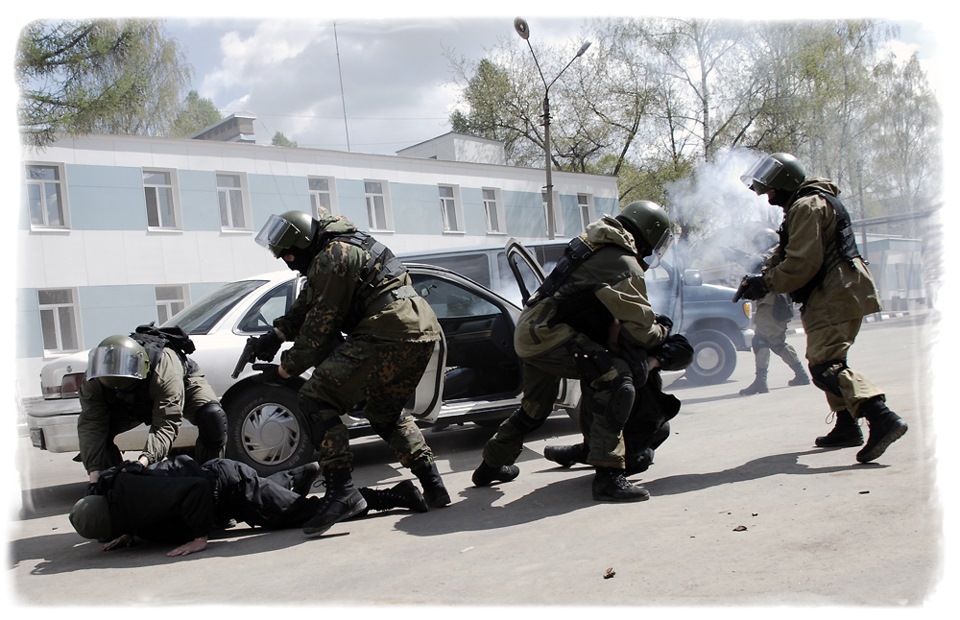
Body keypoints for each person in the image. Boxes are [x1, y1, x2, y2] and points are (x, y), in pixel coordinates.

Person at [252, 210, 450, 538]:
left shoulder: (332, 256)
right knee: (384, 412)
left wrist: (286, 369)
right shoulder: (342, 248)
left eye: (288, 255)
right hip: (421, 331)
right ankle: (433, 483)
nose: (288, 262)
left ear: (302, 244)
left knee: (315, 398)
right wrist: (273, 335)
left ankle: (341, 491)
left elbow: (319, 330)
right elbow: (309, 306)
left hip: (386, 332)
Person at [471, 200, 676, 502]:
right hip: (552, 334)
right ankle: (609, 477)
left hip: (532, 332)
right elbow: (642, 331)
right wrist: (664, 329)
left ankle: (489, 465)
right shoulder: (623, 262)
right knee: (614, 380)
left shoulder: (591, 243)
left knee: (534, 409)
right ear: (649, 235)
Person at [736, 152, 907, 462]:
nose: (769, 196)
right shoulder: (809, 203)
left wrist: (767, 283)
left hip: (835, 292)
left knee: (824, 366)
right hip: (835, 292)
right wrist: (760, 275)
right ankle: (846, 425)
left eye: (772, 189)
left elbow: (802, 262)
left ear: (786, 181)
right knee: (830, 359)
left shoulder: (807, 205)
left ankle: (881, 417)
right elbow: (788, 249)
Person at [68, 455, 428, 557]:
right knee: (273, 497)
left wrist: (198, 538)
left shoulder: (132, 503)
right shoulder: (121, 496)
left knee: (314, 513)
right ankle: (296, 476)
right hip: (225, 483)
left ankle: (394, 495)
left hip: (230, 489)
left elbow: (193, 489)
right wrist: (130, 533)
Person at [77, 326, 228, 488]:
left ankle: (212, 482)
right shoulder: (95, 378)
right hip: (127, 400)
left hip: (180, 383)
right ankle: (114, 488)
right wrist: (94, 472)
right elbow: (92, 425)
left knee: (212, 418)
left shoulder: (165, 371)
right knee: (101, 436)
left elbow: (166, 423)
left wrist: (143, 461)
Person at [738, 229, 810, 395]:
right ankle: (799, 375)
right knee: (772, 341)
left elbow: (758, 263)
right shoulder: (780, 251)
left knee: (765, 341)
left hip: (772, 303)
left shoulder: (774, 251)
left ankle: (762, 382)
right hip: (776, 303)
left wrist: (744, 258)